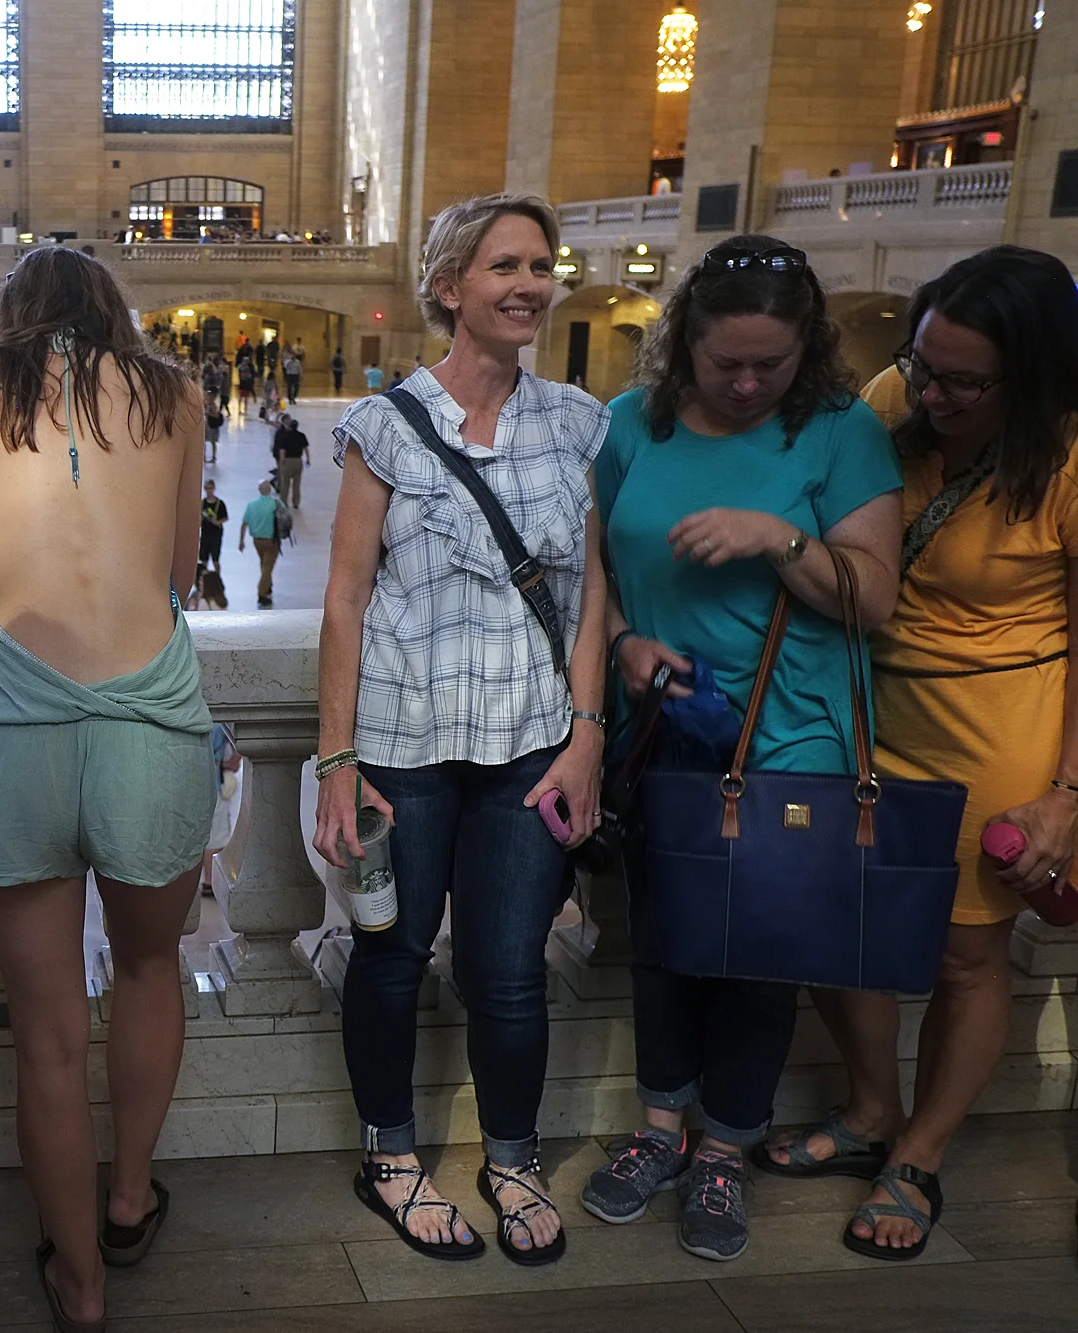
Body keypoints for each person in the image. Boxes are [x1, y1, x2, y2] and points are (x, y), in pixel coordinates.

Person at [580, 234, 902, 1263]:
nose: (750, 382)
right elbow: (591, 577)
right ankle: (659, 1129)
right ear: (684, 341)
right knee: (665, 943)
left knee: (759, 960)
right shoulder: (628, 424)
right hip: (661, 733)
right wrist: (623, 646)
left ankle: (724, 1147)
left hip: (791, 738)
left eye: (772, 362)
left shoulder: (841, 432)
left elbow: (875, 597)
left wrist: (777, 537)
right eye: (727, 363)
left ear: (807, 349)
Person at [756, 246, 1078, 1262]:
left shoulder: (1070, 457)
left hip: (995, 728)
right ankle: (869, 1109)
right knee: (830, 924)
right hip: (860, 705)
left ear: (1032, 376)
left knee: (962, 953)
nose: (930, 394)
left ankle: (919, 1152)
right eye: (922, 365)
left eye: (963, 382)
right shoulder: (895, 395)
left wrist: (1066, 792)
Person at [315, 193, 610, 1268]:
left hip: (530, 742)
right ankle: (390, 1155)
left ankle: (512, 1161)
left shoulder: (576, 422)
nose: (530, 284)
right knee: (390, 956)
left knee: (509, 967)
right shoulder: (386, 426)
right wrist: (336, 760)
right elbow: (345, 597)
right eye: (504, 266)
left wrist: (586, 735)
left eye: (540, 265)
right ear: (448, 287)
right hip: (401, 740)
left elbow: (591, 596)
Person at [0, 246, 213, 1330]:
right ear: (112, 310)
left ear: (12, 310)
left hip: (16, 728)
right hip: (150, 723)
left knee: (47, 1035)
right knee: (148, 967)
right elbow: (178, 570)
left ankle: (79, 1283)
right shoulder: (175, 391)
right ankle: (129, 1198)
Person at [240, 479, 282, 607]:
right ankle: (262, 594)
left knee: (264, 564)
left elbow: (244, 523)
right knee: (267, 567)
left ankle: (268, 586)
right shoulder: (276, 504)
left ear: (259, 490)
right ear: (270, 489)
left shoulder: (252, 504)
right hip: (272, 541)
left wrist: (241, 541)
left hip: (257, 541)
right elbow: (284, 518)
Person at [272, 412, 310, 508]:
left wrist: (281, 462)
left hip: (288, 461)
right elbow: (306, 449)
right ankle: (296, 503)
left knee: (285, 483)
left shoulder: (286, 436)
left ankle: (284, 502)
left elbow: (282, 451)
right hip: (298, 460)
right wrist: (308, 460)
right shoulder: (302, 435)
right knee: (296, 483)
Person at [198, 478, 228, 574]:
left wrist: (217, 522)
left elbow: (225, 517)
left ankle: (217, 577)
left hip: (216, 534)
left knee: (215, 559)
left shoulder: (220, 503)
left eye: (211, 488)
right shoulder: (202, 503)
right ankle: (203, 578)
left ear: (214, 489)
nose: (209, 491)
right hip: (205, 533)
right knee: (204, 559)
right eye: (207, 488)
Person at [203, 384, 224, 464]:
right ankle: (204, 456)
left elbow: (216, 415)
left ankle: (213, 456)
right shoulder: (207, 403)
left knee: (212, 441)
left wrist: (208, 413)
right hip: (207, 425)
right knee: (205, 441)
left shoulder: (213, 405)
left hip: (211, 426)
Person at [235, 348, 257, 414]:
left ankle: (243, 410)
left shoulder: (243, 366)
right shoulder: (244, 367)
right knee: (243, 398)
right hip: (244, 383)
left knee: (244, 398)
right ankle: (242, 410)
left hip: (245, 383)